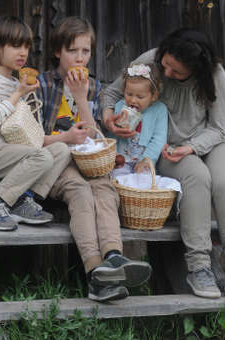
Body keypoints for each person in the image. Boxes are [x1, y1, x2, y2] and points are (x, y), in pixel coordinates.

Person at [102, 28, 225, 299]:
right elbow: (111, 94)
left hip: (213, 143)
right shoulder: (151, 61)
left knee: (224, 182)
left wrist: (192, 147)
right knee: (197, 177)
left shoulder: (214, 74)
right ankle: (199, 268)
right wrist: (108, 118)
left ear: (196, 70)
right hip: (168, 149)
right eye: (166, 65)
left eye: (176, 71)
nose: (167, 73)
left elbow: (219, 129)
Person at [37, 16, 152, 302]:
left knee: (104, 190)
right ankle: (95, 272)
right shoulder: (42, 85)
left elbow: (95, 138)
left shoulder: (95, 87)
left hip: (89, 162)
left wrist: (81, 97)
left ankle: (114, 257)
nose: (79, 58)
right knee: (81, 192)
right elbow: (31, 138)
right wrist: (65, 137)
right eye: (72, 50)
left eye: (85, 51)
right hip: (55, 162)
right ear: (57, 52)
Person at [0, 15, 71, 231]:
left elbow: (29, 133)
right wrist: (17, 94)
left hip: (12, 152)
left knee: (61, 150)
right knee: (41, 156)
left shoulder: (18, 82)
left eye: (25, 46)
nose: (23, 52)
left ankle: (23, 199)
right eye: (15, 46)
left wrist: (28, 99)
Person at [108, 63, 168, 178]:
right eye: (129, 94)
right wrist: (114, 155)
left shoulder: (159, 110)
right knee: (117, 178)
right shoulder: (120, 106)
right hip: (122, 160)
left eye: (140, 97)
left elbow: (159, 139)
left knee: (145, 180)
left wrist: (146, 160)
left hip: (144, 160)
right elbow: (113, 134)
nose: (133, 100)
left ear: (154, 96)